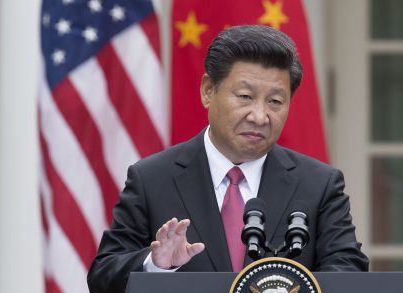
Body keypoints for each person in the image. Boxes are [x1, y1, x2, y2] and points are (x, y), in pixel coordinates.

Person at [87, 25, 369, 293]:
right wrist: (154, 265)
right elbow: (103, 277)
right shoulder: (152, 179)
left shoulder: (319, 185)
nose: (259, 116)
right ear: (208, 90)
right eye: (245, 96)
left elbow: (348, 272)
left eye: (275, 102)